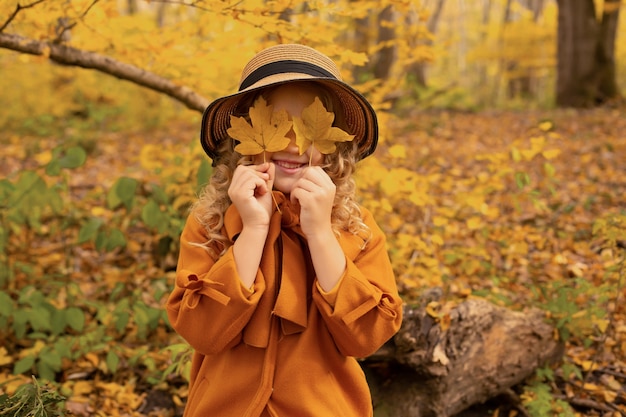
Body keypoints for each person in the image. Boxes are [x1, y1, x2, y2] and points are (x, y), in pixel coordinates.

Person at [166, 43, 403, 417]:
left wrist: (322, 234)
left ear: (334, 144)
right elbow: (202, 332)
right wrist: (255, 229)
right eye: (276, 124)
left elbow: (367, 337)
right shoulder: (209, 224)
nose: (293, 144)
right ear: (242, 136)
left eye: (310, 127)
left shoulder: (356, 228)